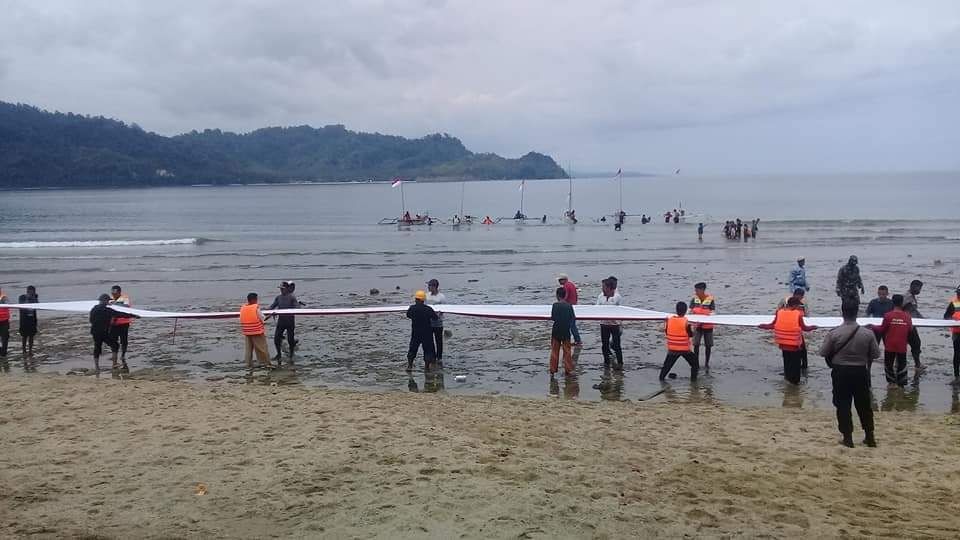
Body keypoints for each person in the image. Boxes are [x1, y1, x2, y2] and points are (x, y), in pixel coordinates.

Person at [819, 299, 880, 448]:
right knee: (864, 405)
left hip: (841, 372)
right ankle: (869, 436)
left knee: (843, 404)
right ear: (857, 313)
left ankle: (847, 438)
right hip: (860, 371)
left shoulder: (834, 333)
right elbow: (876, 354)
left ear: (842, 312)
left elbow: (823, 352)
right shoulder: (868, 333)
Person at [759, 297, 818, 385]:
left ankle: (787, 380)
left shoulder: (779, 312)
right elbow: (805, 328)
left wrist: (762, 326)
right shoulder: (798, 314)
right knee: (795, 367)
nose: (798, 307)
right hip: (794, 346)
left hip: (783, 345)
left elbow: (772, 325)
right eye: (798, 305)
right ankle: (795, 387)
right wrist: (813, 327)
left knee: (787, 364)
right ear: (794, 305)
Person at [90, 293, 139, 372]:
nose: (108, 302)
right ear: (105, 301)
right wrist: (133, 315)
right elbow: (120, 314)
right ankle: (114, 364)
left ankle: (97, 367)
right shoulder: (108, 310)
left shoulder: (94, 309)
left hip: (95, 331)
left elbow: (91, 320)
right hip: (104, 332)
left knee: (97, 347)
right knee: (115, 345)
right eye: (108, 301)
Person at [871, 294, 912, 387]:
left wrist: (872, 326)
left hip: (890, 344)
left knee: (889, 364)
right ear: (902, 303)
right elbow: (910, 329)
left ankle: (891, 383)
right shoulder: (907, 316)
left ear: (892, 302)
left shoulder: (888, 315)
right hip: (902, 344)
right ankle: (901, 383)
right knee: (902, 363)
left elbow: (882, 329)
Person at [659, 302, 698, 381]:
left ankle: (661, 380)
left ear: (676, 310)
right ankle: (693, 383)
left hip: (672, 349)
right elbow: (691, 335)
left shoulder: (669, 321)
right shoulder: (686, 322)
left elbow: (666, 332)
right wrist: (695, 328)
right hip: (684, 350)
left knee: (666, 367)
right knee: (695, 364)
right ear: (685, 311)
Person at [268, 281, 302, 364]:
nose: (281, 290)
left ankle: (291, 354)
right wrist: (267, 312)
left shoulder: (291, 297)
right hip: (281, 321)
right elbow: (272, 306)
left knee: (290, 339)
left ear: (287, 289)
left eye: (283, 289)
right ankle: (278, 354)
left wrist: (297, 306)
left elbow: (297, 308)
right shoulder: (278, 297)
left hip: (290, 321)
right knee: (276, 338)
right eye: (280, 289)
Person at [239, 293, 274, 371]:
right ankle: (266, 363)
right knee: (262, 348)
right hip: (256, 331)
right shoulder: (255, 308)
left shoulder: (243, 308)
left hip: (247, 332)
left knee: (248, 349)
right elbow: (263, 319)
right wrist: (271, 315)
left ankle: (248, 364)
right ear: (254, 299)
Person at [406, 290, 437, 371]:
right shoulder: (428, 309)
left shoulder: (412, 308)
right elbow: (435, 318)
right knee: (427, 350)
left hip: (415, 332)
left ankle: (409, 366)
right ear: (423, 300)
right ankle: (426, 367)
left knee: (412, 348)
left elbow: (408, 315)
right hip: (427, 332)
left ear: (416, 299)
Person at [596, 277, 622, 368]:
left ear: (609, 288)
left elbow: (621, 310)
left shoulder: (617, 297)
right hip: (604, 324)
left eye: (604, 287)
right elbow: (596, 308)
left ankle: (620, 363)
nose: (602, 288)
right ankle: (606, 362)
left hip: (615, 324)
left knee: (617, 344)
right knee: (605, 344)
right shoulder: (600, 296)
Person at [550, 287, 576, 376]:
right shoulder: (569, 306)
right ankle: (568, 370)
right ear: (565, 295)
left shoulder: (555, 305)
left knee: (554, 351)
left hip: (556, 330)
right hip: (566, 330)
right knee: (567, 352)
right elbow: (572, 317)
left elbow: (553, 317)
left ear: (557, 295)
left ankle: (553, 369)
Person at [690, 282, 716, 368]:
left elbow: (713, 312)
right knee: (696, 345)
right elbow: (689, 311)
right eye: (695, 290)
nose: (695, 292)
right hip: (697, 326)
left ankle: (706, 363)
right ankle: (696, 362)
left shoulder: (710, 299)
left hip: (708, 326)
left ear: (702, 290)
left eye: (697, 290)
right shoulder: (694, 299)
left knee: (708, 345)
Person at [108, 285, 133, 366]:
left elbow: (125, 306)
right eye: (112, 292)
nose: (114, 294)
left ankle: (123, 355)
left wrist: (114, 304)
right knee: (113, 340)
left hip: (123, 323)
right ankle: (114, 355)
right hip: (113, 324)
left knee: (124, 340)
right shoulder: (110, 299)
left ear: (119, 292)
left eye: (115, 292)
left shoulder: (125, 298)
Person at [902, 279, 924, 372]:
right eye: (918, 288)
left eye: (920, 288)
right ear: (912, 286)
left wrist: (922, 319)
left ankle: (917, 364)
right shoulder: (908, 297)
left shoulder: (911, 296)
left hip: (908, 324)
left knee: (910, 344)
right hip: (908, 326)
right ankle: (917, 364)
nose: (919, 290)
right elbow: (908, 311)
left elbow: (914, 311)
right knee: (916, 343)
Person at [425, 279, 446, 365]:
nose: (428, 287)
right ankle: (432, 357)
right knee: (430, 341)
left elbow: (445, 308)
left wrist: (438, 314)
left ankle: (439, 357)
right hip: (428, 322)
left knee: (439, 341)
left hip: (438, 322)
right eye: (428, 286)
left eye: (430, 286)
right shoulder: (426, 296)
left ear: (435, 287)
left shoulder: (441, 297)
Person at [557, 274, 581, 346]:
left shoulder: (566, 286)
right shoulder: (571, 284)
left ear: (564, 280)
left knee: (571, 325)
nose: (559, 282)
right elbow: (575, 296)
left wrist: (560, 304)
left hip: (568, 306)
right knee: (572, 324)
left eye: (560, 280)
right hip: (573, 305)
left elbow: (565, 296)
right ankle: (576, 340)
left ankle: (576, 340)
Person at [943, 285, 960, 380]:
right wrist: (952, 320)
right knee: (957, 354)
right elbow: (946, 316)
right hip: (957, 332)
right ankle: (957, 376)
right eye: (958, 293)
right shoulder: (953, 303)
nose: (958, 295)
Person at [18, 285, 38, 356]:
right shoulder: (22, 297)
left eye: (33, 291)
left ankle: (30, 350)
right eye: (31, 291)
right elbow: (21, 306)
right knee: (24, 336)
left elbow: (37, 305)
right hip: (24, 320)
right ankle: (24, 350)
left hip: (32, 319)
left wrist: (34, 298)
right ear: (27, 291)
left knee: (31, 336)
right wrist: (28, 298)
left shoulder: (35, 297)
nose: (32, 292)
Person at [0, 287, 9, 358]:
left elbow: (8, 304)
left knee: (4, 337)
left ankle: (4, 353)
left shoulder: (3, 297)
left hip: (4, 321)